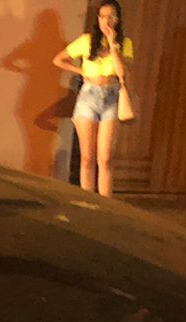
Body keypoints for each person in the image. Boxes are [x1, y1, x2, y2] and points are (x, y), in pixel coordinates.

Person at [52, 1, 134, 196]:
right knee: (87, 157)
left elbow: (122, 74)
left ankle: (106, 204)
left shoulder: (125, 43)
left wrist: (113, 45)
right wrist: (81, 71)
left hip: (112, 96)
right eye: (102, 16)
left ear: (118, 19)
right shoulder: (87, 41)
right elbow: (58, 60)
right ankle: (87, 202)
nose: (107, 21)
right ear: (98, 19)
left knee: (105, 158)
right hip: (88, 97)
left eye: (111, 16)